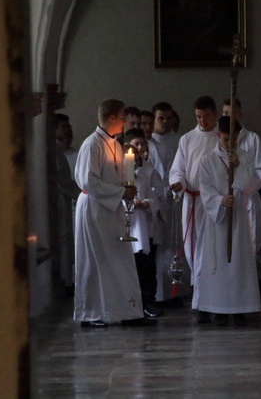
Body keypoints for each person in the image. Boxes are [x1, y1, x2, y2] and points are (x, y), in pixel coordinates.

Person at [73, 99, 153, 327]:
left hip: (112, 209)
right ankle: (92, 313)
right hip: (95, 210)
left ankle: (127, 312)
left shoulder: (115, 143)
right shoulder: (92, 144)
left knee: (119, 260)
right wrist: (121, 191)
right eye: (121, 117)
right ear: (110, 118)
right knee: (96, 260)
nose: (125, 122)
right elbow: (87, 180)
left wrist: (127, 187)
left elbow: (117, 175)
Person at [194, 116, 261, 326]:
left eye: (233, 140)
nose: (229, 144)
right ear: (218, 136)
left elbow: (252, 184)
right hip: (218, 220)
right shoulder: (207, 160)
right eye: (225, 140)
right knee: (219, 264)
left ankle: (240, 308)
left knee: (238, 263)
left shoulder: (246, 157)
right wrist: (220, 200)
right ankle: (218, 309)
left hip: (239, 218)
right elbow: (205, 189)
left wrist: (239, 167)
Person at [169, 96, 219, 299]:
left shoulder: (221, 138)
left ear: (214, 114)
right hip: (192, 200)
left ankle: (211, 295)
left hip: (214, 202)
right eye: (198, 117)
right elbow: (178, 169)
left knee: (211, 249)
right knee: (191, 249)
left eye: (206, 116)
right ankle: (199, 294)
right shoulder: (187, 139)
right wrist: (179, 183)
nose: (202, 121)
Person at [221, 98, 261, 267]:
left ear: (240, 115)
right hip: (225, 199)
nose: (229, 117)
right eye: (226, 113)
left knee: (250, 244)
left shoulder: (252, 139)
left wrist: (246, 187)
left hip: (247, 197)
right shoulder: (218, 139)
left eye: (232, 113)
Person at [149, 102, 186, 304]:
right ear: (154, 120)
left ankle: (176, 292)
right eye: (160, 118)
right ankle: (159, 294)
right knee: (158, 247)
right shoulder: (147, 143)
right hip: (155, 201)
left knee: (176, 243)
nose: (165, 122)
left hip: (176, 200)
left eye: (168, 118)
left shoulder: (181, 141)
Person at [121, 137, 162, 318]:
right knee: (128, 264)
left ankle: (148, 301)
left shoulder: (149, 171)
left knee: (146, 264)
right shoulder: (118, 173)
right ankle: (128, 303)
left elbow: (158, 192)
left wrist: (147, 202)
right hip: (125, 222)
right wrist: (127, 203)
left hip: (144, 223)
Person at [54, 113, 80, 296]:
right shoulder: (53, 150)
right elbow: (60, 178)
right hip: (62, 202)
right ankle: (64, 281)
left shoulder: (77, 153)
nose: (68, 130)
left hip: (74, 202)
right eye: (63, 126)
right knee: (63, 242)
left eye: (69, 126)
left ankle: (71, 279)